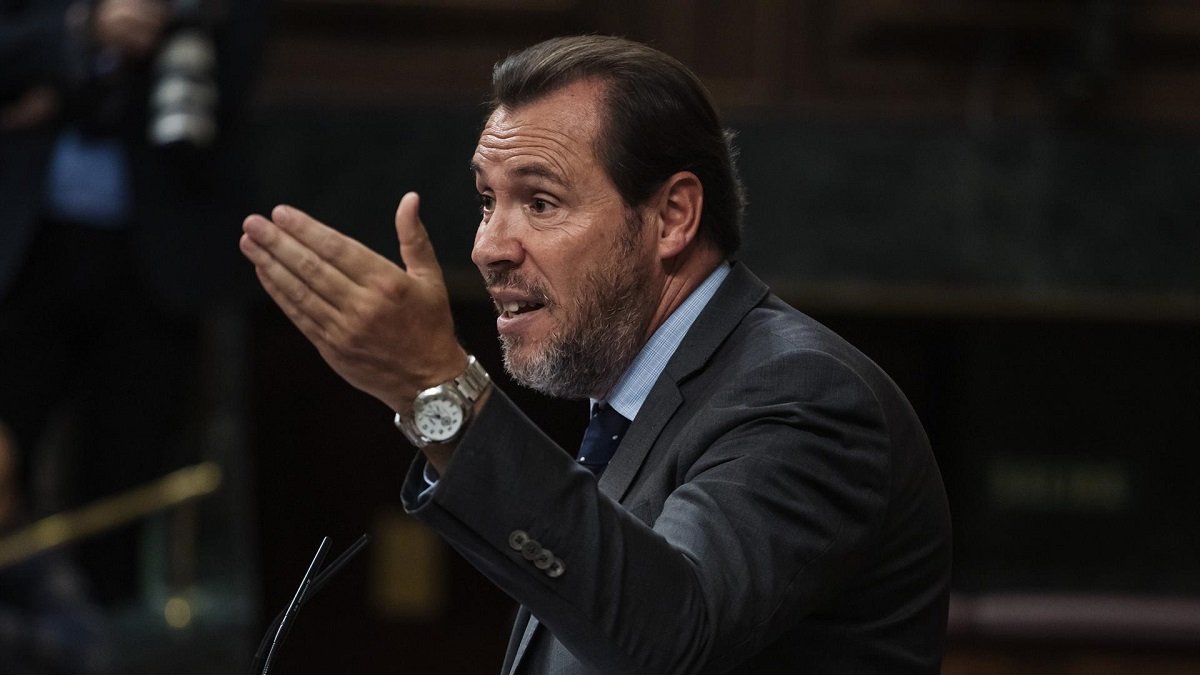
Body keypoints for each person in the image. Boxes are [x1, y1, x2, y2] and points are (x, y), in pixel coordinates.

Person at [240, 35, 952, 674]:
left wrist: (439, 390)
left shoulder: (799, 394)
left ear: (672, 216)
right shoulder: (623, 412)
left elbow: (670, 634)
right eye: (488, 200)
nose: (488, 246)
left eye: (541, 202)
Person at [0, 0, 263, 605]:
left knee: (123, 490)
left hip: (156, 265)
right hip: (23, 254)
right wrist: (82, 38)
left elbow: (227, 87)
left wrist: (61, 91)